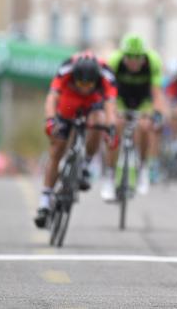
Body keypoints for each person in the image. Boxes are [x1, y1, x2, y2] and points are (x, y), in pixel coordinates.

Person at [34, 52, 118, 228]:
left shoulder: (106, 74)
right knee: (57, 149)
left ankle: (86, 164)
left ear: (96, 80)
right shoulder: (66, 69)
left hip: (94, 103)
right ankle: (45, 199)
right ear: (75, 78)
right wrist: (50, 120)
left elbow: (110, 106)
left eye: (89, 84)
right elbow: (52, 98)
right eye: (81, 83)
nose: (85, 87)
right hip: (69, 100)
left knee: (98, 122)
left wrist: (111, 129)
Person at [101, 33, 166, 199]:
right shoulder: (114, 61)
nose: (134, 62)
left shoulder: (153, 61)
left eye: (138, 58)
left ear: (143, 56)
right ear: (123, 56)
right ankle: (109, 176)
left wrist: (157, 114)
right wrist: (110, 114)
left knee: (145, 126)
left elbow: (157, 93)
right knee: (116, 127)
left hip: (143, 100)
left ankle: (143, 167)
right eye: (130, 57)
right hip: (120, 99)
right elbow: (107, 93)